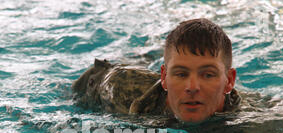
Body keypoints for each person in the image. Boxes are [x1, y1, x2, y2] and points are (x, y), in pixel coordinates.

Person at [73, 18, 242, 123]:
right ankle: (146, 53)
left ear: (229, 81)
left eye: (207, 75)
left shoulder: (256, 120)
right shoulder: (123, 89)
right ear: (164, 77)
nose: (192, 87)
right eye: (181, 74)